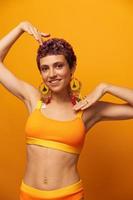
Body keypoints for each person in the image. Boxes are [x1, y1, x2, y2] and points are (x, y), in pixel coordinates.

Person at [0, 21, 133, 200]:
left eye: (59, 66)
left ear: (72, 68)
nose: (52, 74)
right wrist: (20, 28)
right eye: (45, 68)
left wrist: (105, 87)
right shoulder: (34, 99)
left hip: (69, 196)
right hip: (29, 195)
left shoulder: (86, 109)